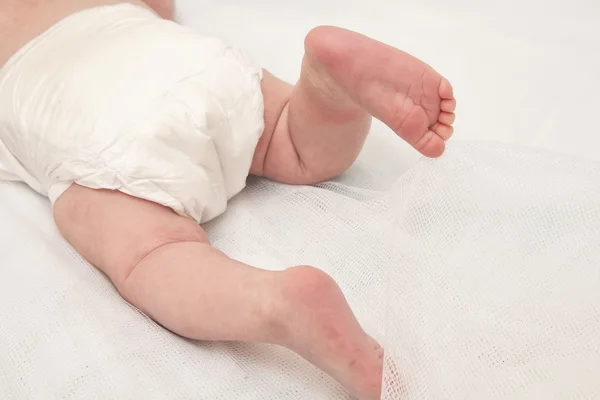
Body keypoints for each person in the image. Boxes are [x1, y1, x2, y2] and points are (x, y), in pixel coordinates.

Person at [0, 0, 455, 398]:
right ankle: (326, 84)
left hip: (90, 123)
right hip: (183, 62)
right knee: (287, 137)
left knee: (148, 252)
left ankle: (276, 302)